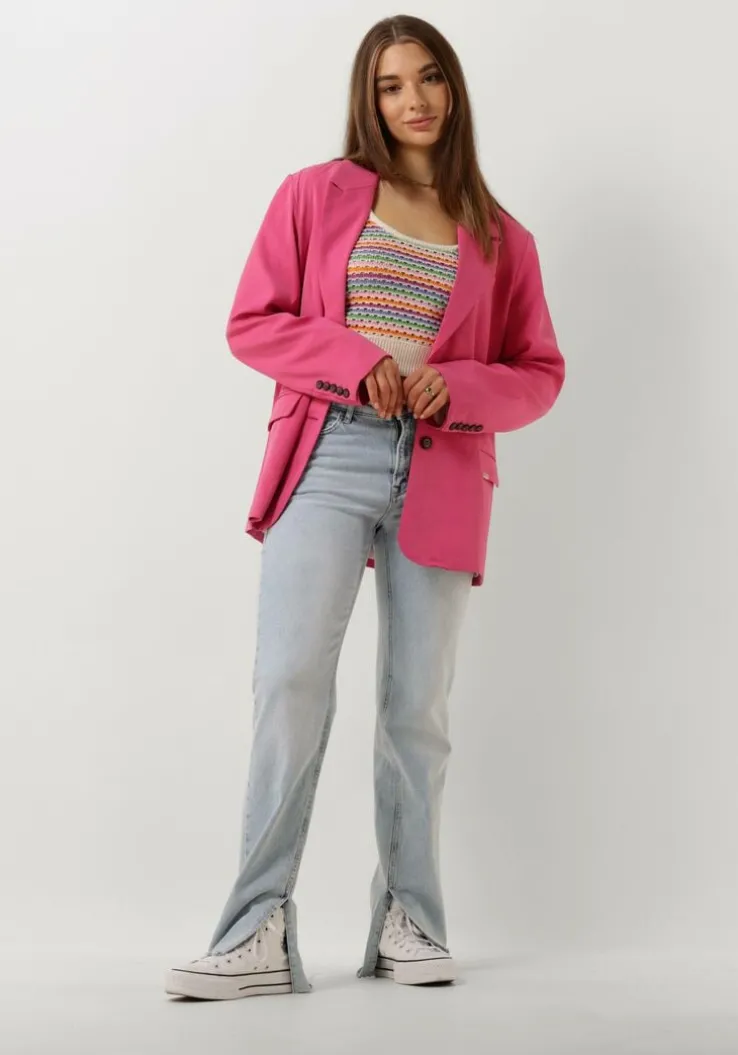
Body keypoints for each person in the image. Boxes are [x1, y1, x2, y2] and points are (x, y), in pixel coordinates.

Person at [165, 14, 565, 1000]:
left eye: (428, 78)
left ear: (453, 89)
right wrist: (356, 361)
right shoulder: (316, 194)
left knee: (416, 707)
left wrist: (455, 386)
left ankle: (409, 919)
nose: (413, 100)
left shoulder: (502, 237)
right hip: (328, 451)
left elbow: (539, 371)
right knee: (291, 680)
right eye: (391, 85)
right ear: (369, 99)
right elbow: (253, 321)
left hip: (446, 466)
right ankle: (257, 929)